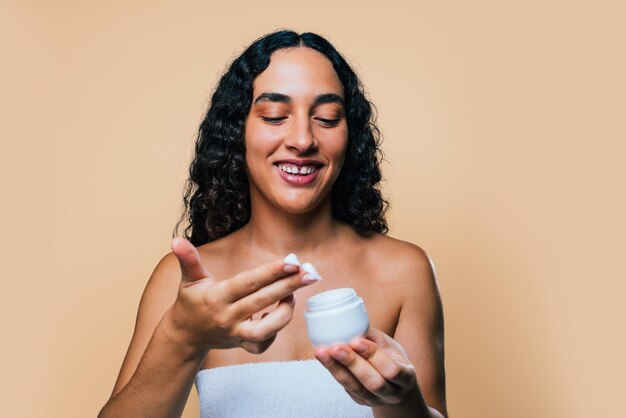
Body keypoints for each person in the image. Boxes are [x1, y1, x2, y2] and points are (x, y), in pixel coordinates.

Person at [99, 30, 447, 418]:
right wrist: (181, 337)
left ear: (350, 136)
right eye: (275, 116)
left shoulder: (403, 272)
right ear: (237, 132)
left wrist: (402, 402)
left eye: (327, 118)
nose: (302, 139)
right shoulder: (186, 281)